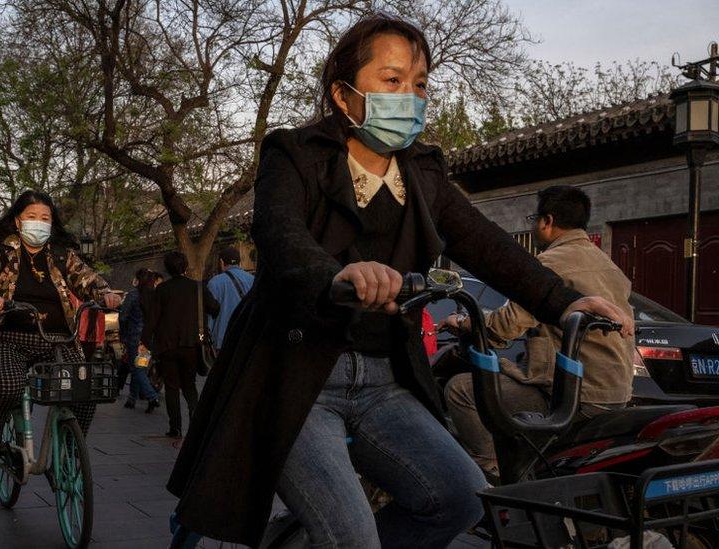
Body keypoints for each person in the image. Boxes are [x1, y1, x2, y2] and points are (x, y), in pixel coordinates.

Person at [165, 14, 634, 548]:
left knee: (460, 499)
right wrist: (339, 274)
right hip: (295, 379)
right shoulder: (294, 155)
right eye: (392, 81)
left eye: (420, 84)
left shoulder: (423, 173)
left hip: (385, 380)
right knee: (351, 534)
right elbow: (281, 238)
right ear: (343, 95)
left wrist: (567, 302)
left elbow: (489, 247)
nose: (408, 97)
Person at [442, 186, 634, 483]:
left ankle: (490, 477)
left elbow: (505, 325)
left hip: (574, 395)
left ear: (546, 221)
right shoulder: (608, 265)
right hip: (615, 393)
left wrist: (463, 321)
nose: (533, 227)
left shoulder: (549, 263)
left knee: (460, 390)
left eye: (534, 219)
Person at [0, 190, 121, 455]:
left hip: (58, 339)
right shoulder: (0, 247)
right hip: (12, 337)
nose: (38, 222)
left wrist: (104, 292)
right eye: (32, 216)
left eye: (45, 218)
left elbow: (84, 277)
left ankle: (70, 451)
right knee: (7, 387)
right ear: (18, 220)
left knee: (86, 388)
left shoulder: (62, 253)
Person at [140, 251, 219, 438]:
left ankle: (175, 427)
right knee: (190, 385)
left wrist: (144, 341)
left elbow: (152, 320)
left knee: (172, 386)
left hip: (167, 346)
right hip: (192, 344)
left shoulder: (162, 290)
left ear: (167, 269)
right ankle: (194, 418)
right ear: (185, 267)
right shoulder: (198, 288)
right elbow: (215, 308)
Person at [118, 268, 161, 412]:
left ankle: (152, 396)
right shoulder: (154, 296)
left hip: (134, 338)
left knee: (137, 370)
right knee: (140, 367)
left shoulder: (133, 295)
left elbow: (123, 317)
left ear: (137, 279)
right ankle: (132, 398)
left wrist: (122, 335)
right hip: (148, 339)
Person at [205, 246, 254, 352]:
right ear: (239, 262)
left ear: (221, 262)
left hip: (222, 340)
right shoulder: (252, 280)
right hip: (248, 337)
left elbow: (210, 316)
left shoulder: (214, 283)